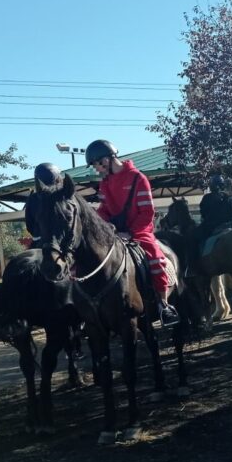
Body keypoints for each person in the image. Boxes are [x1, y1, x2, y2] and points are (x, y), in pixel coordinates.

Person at [85, 139, 179, 326]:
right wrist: (101, 224)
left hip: (139, 230)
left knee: (154, 257)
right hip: (114, 232)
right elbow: (104, 209)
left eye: (97, 164)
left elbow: (147, 212)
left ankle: (163, 304)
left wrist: (132, 234)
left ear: (107, 159)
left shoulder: (138, 178)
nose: (97, 169)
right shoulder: (104, 184)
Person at [24, 162, 62, 249]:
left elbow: (29, 224)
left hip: (38, 241)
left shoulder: (32, 198)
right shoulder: (61, 195)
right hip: (60, 241)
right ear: (56, 177)